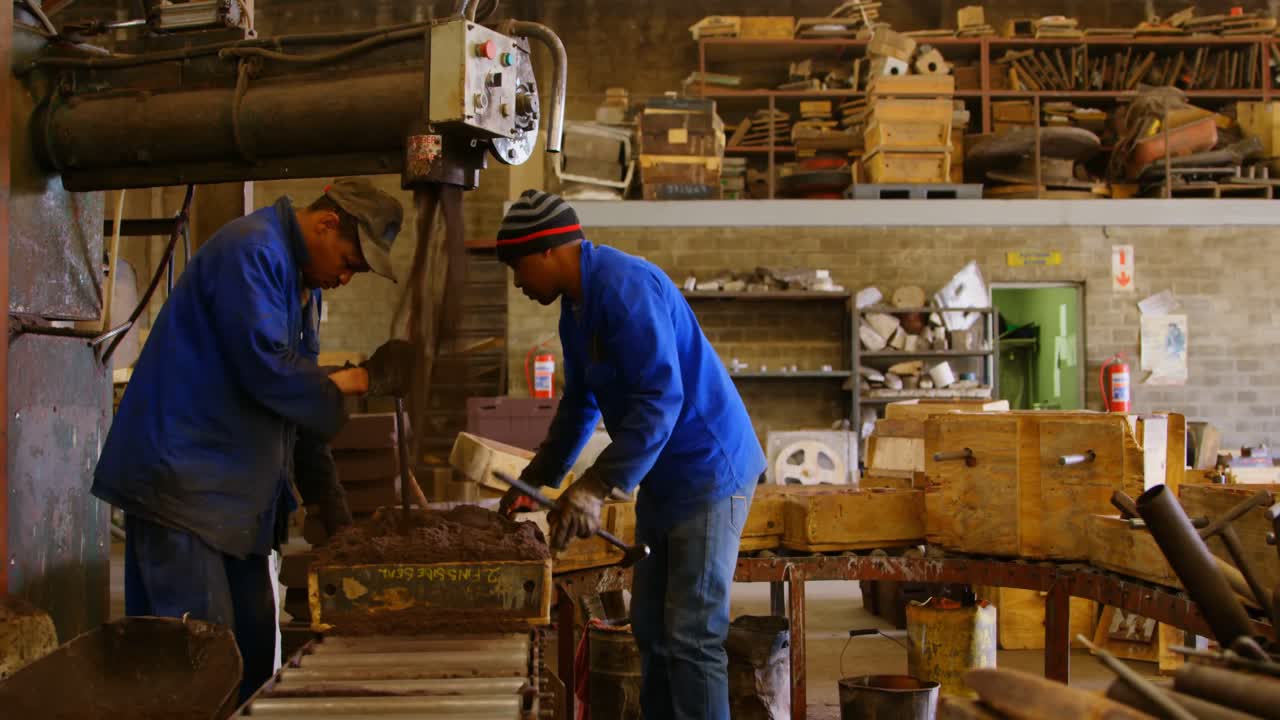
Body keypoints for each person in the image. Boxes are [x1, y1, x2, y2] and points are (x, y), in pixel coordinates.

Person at [93, 178, 416, 702]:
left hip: (232, 504)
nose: (347, 277)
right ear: (327, 222)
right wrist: (364, 377)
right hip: (183, 492)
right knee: (195, 672)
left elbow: (295, 407)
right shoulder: (253, 252)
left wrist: (330, 508)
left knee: (249, 661)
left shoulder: (302, 288)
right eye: (351, 261)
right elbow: (269, 373)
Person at [497, 190, 765, 720]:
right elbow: (579, 405)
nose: (518, 283)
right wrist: (535, 483)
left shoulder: (625, 287)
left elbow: (661, 399)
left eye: (519, 267)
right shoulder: (576, 313)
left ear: (549, 251)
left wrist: (595, 487)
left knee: (692, 635)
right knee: (651, 631)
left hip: (708, 472)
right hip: (663, 479)